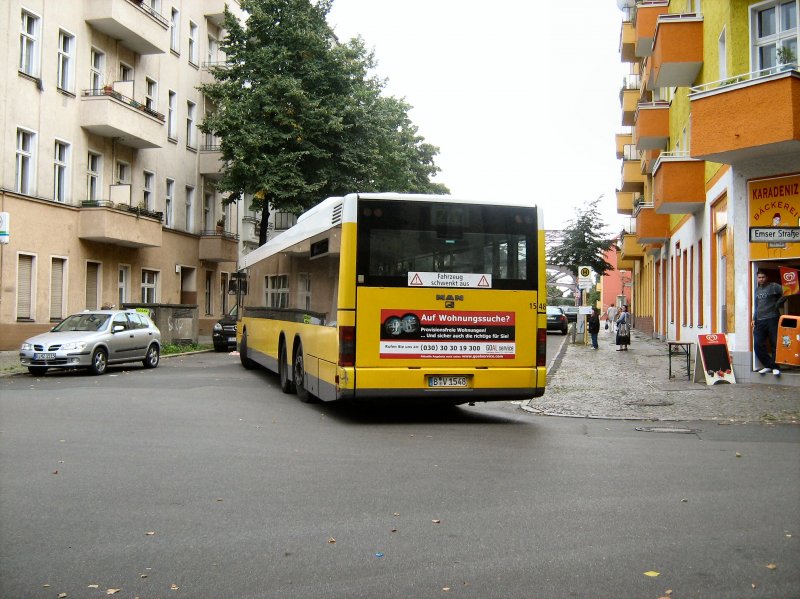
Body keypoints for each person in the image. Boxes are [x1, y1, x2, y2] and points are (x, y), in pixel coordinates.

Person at [752, 269, 787, 376]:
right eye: (759, 277)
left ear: (766, 277)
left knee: (774, 343)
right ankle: (769, 365)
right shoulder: (757, 290)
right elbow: (757, 306)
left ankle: (775, 366)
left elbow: (786, 292)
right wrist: (754, 318)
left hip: (772, 318)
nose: (761, 279)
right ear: (757, 278)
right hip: (760, 320)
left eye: (763, 277)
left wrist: (777, 305)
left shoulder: (773, 286)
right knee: (757, 344)